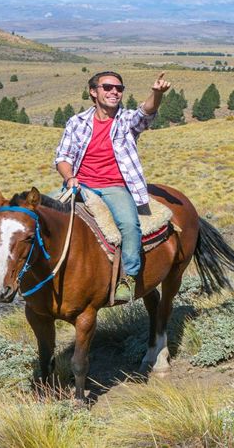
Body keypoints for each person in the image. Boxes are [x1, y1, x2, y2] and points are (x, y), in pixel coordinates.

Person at [55, 70, 171, 303]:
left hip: (114, 186)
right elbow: (63, 157)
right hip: (80, 185)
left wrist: (156, 94)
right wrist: (70, 178)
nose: (114, 92)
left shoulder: (126, 121)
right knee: (38, 216)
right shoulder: (76, 122)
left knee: (129, 225)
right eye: (107, 87)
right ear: (93, 91)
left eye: (119, 88)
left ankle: (127, 277)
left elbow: (145, 113)